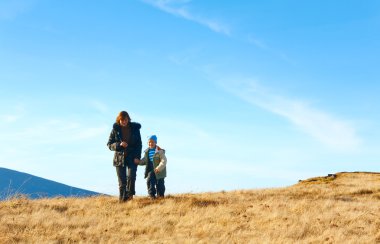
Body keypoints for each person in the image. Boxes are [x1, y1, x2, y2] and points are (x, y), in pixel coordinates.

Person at [107, 111, 142, 202]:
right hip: (119, 158)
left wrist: (137, 157)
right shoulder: (115, 129)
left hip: (132, 157)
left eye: (125, 120)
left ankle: (130, 197)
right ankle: (122, 200)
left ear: (128, 119)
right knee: (122, 182)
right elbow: (109, 144)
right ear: (119, 120)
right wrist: (119, 144)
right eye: (122, 120)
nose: (124, 121)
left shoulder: (135, 129)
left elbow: (139, 144)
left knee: (131, 176)